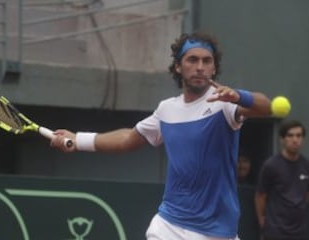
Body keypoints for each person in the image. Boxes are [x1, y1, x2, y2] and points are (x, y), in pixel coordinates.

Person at [51, 31, 271, 240]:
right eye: (192, 60)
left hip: (217, 230)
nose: (200, 67)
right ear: (178, 67)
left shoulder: (225, 104)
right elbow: (129, 138)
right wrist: (78, 140)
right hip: (170, 224)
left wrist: (239, 96)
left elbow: (266, 107)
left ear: (214, 69)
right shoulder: (166, 110)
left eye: (207, 61)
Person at [255, 120, 309, 240]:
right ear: (282, 139)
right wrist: (262, 221)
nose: (295, 140)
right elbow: (260, 196)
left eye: (299, 135)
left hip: (300, 231)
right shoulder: (271, 165)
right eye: (290, 135)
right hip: (275, 231)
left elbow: (308, 193)